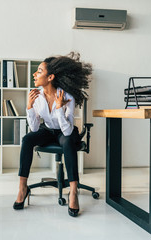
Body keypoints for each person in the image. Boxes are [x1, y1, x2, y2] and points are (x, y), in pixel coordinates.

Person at [13, 52, 93, 217]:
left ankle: (72, 192)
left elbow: (67, 131)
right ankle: (22, 188)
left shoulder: (67, 96)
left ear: (50, 77)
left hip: (65, 130)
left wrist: (58, 108)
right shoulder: (36, 95)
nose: (35, 74)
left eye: (39, 71)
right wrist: (29, 107)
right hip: (47, 130)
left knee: (68, 141)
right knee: (27, 139)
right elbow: (35, 129)